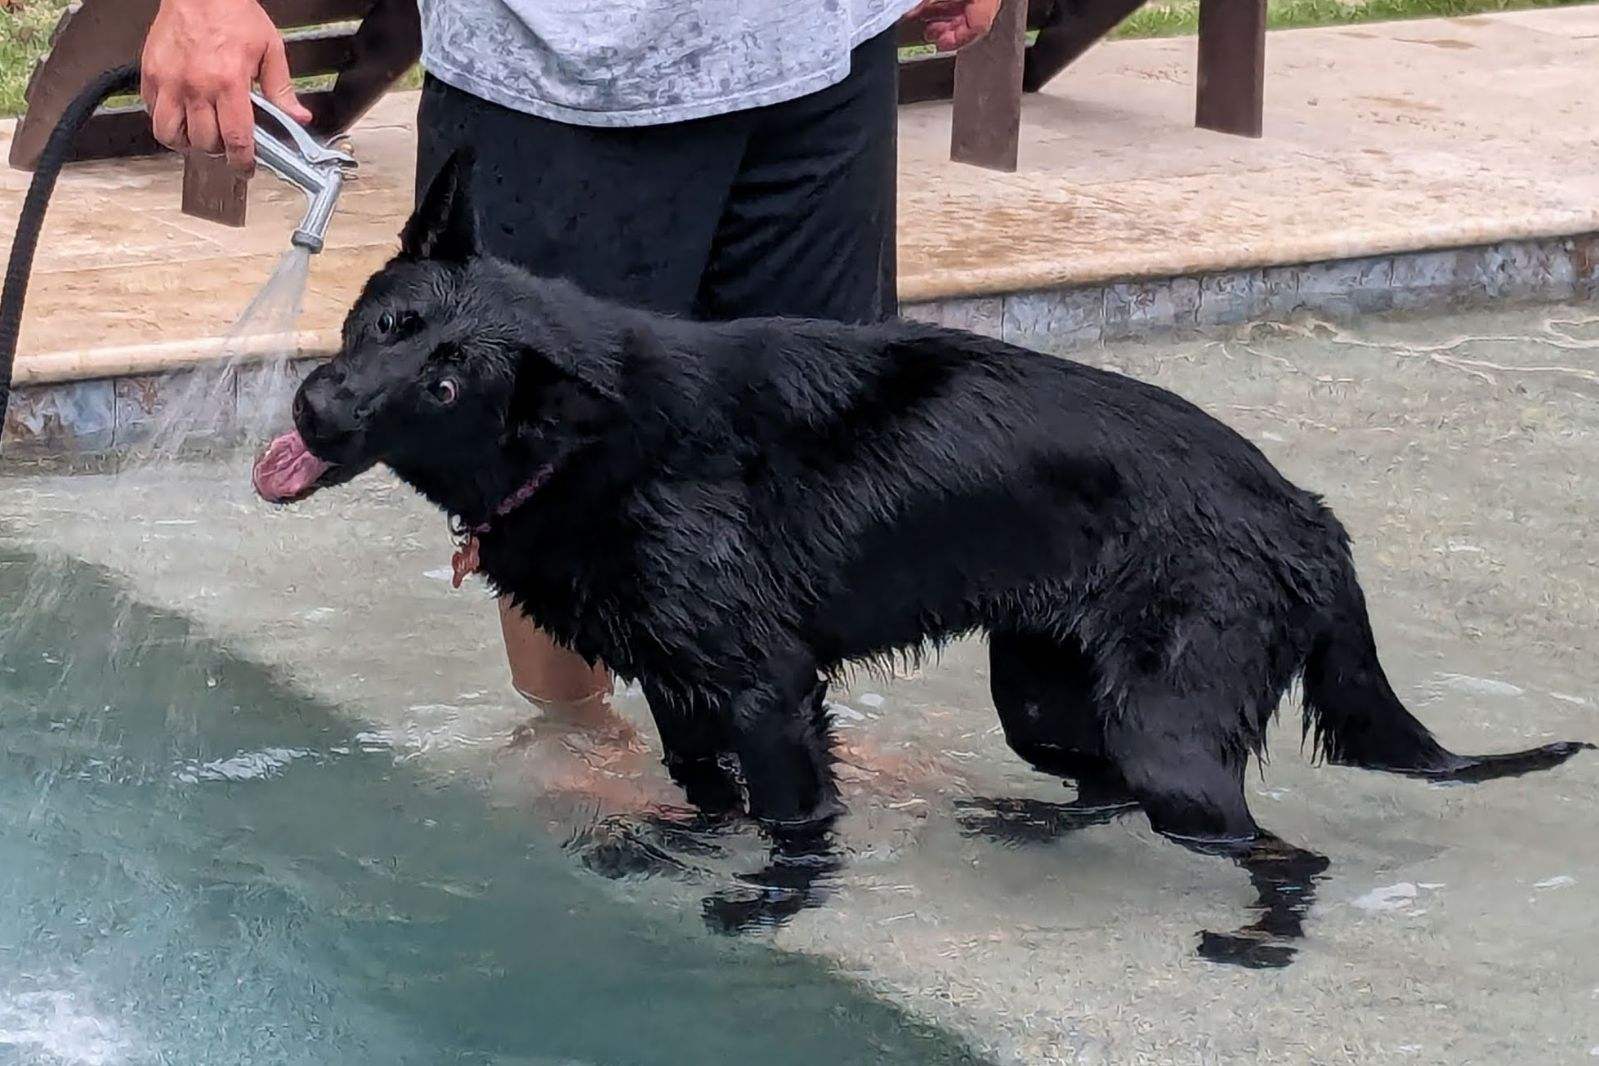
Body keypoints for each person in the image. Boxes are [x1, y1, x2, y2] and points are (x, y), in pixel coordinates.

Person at [141, 0, 1000, 777]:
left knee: (809, 433)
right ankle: (573, 730)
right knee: (531, 437)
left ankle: (781, 724)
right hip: (555, 66)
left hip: (822, 45)